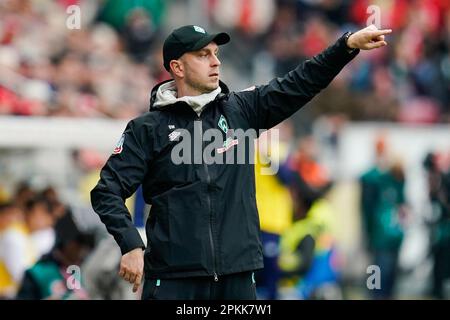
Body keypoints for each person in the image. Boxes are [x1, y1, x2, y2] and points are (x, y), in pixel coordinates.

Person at [91, 24, 392, 300]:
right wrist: (130, 243)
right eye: (203, 54)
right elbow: (107, 191)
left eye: (216, 54)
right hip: (173, 279)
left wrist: (346, 45)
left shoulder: (242, 110)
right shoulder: (146, 129)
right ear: (177, 67)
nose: (215, 61)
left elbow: (301, 82)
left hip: (237, 277)